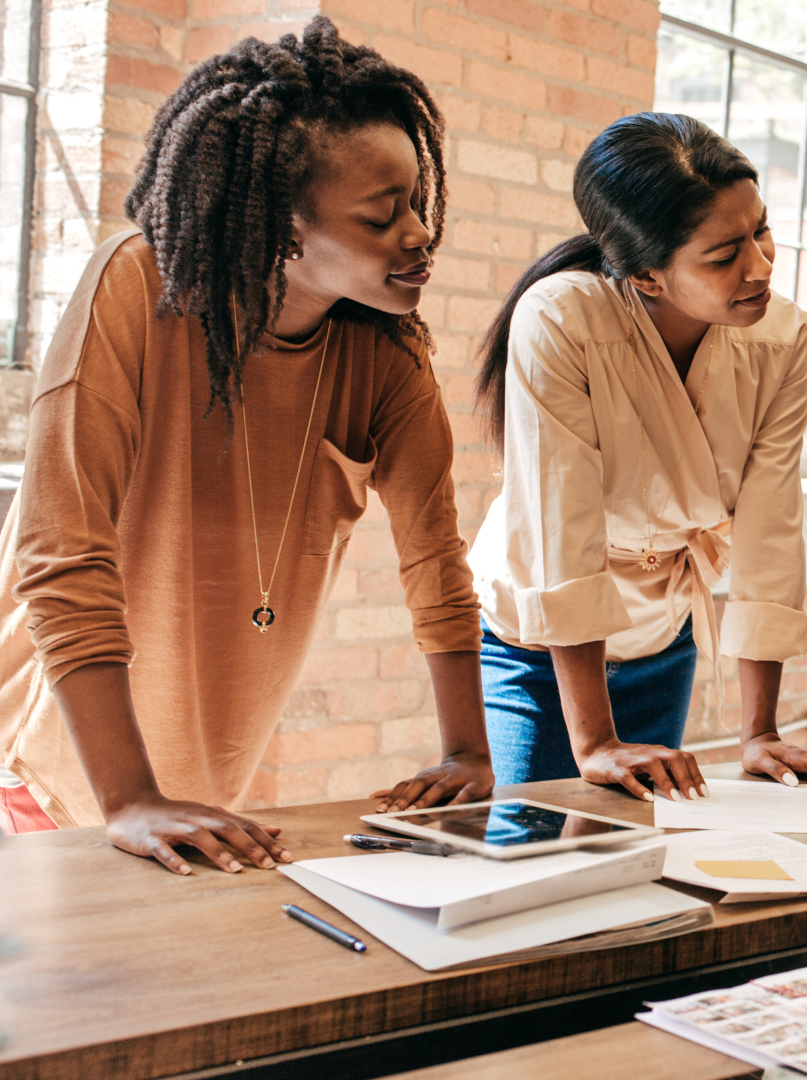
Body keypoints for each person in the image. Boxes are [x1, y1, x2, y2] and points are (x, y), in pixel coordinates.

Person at [0, 18, 493, 871]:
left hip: (197, 774)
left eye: (417, 202)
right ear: (283, 227)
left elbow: (437, 560)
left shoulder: (384, 353)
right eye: (384, 217)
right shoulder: (137, 287)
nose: (419, 233)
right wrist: (129, 799)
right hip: (49, 764)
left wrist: (468, 752)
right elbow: (62, 558)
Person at [469, 113, 807, 802]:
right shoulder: (562, 320)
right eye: (723, 255)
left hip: (661, 631)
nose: (762, 266)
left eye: (761, 231)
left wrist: (760, 732)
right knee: (535, 840)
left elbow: (771, 526)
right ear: (646, 275)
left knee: (642, 850)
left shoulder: (782, 337)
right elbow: (562, 531)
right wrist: (594, 743)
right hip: (536, 646)